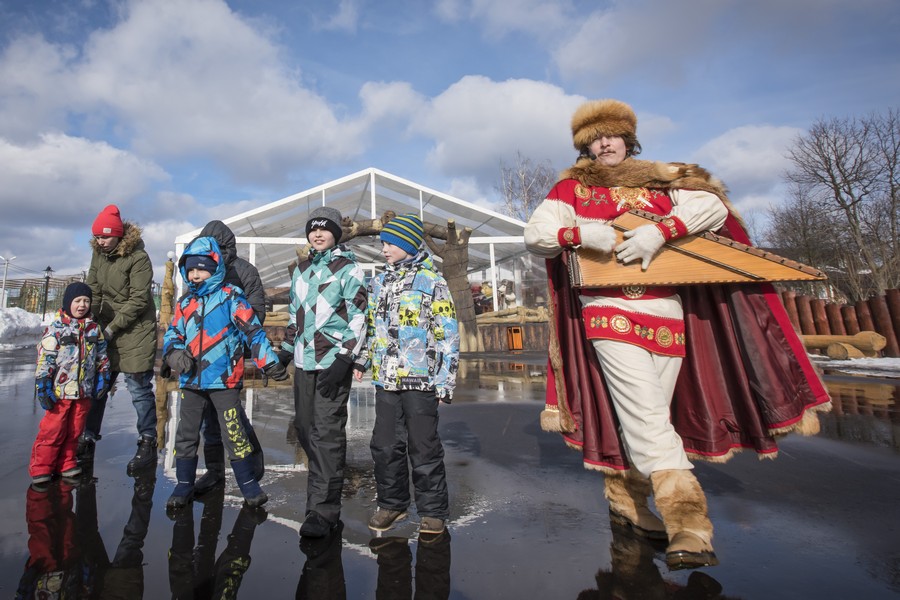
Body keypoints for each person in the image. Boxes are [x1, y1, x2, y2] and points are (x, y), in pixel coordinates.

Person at [524, 99, 832, 570]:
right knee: (646, 414)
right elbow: (537, 234)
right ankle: (688, 523)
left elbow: (711, 206)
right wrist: (582, 235)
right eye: (593, 140)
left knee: (647, 415)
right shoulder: (572, 188)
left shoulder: (662, 180)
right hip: (606, 310)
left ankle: (625, 499)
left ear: (628, 138)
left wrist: (662, 231)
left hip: (668, 312)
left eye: (610, 135)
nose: (603, 144)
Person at [162, 236, 288, 510]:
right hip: (191, 380)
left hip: (225, 380)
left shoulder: (231, 297)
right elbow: (173, 333)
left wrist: (269, 362)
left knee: (234, 431)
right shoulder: (185, 303)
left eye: (201, 268)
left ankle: (248, 484)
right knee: (186, 433)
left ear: (215, 267)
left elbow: (252, 330)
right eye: (191, 269)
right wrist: (173, 353)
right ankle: (183, 484)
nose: (195, 275)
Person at [356, 214, 459, 536]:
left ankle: (433, 511)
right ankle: (392, 505)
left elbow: (447, 334)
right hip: (386, 380)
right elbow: (371, 328)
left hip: (421, 380)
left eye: (390, 244)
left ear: (408, 244)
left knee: (424, 447)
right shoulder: (378, 283)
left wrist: (445, 382)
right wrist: (362, 361)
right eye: (383, 243)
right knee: (385, 446)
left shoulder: (432, 282)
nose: (384, 249)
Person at [280, 206, 367, 538]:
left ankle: (323, 510)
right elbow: (294, 315)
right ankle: (319, 496)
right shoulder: (301, 271)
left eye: (324, 229)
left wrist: (346, 358)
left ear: (336, 234)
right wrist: (285, 351)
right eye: (313, 229)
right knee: (304, 429)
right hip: (304, 362)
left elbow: (359, 317)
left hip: (333, 362)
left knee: (326, 434)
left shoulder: (349, 270)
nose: (317, 234)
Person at [191, 220, 268, 495]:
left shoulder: (244, 271)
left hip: (229, 354)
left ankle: (249, 466)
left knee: (230, 413)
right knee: (208, 416)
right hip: (203, 356)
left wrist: (233, 340)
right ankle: (214, 472)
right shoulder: (199, 268)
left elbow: (256, 311)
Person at [82, 204, 159, 475]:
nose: (100, 241)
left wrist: (112, 328)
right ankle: (87, 436)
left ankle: (147, 440)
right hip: (107, 327)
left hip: (136, 330)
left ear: (117, 234)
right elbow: (93, 288)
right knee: (99, 385)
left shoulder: (139, 258)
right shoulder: (98, 253)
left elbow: (139, 299)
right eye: (97, 237)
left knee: (138, 388)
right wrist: (88, 316)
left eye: (104, 236)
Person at [30, 282, 109, 488]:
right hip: (60, 392)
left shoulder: (94, 329)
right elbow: (45, 358)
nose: (82, 305)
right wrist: (43, 384)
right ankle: (42, 467)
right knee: (52, 430)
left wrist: (103, 376)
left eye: (86, 301)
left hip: (83, 391)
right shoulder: (56, 329)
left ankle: (66, 462)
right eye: (77, 301)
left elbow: (101, 356)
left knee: (75, 430)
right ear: (68, 302)